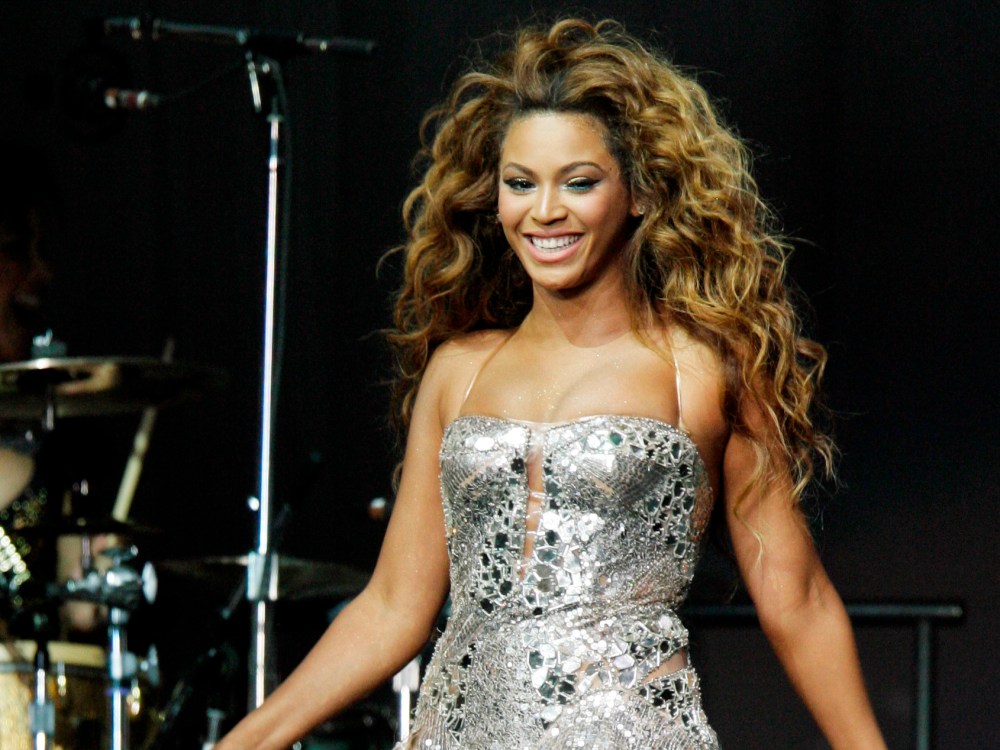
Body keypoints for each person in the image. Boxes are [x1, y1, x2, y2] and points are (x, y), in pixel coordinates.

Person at [218, 18, 886, 749]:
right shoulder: (459, 373)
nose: (544, 212)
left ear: (636, 194)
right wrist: (248, 741)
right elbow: (391, 608)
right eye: (520, 184)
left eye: (579, 182)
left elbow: (797, 598)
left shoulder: (698, 370)